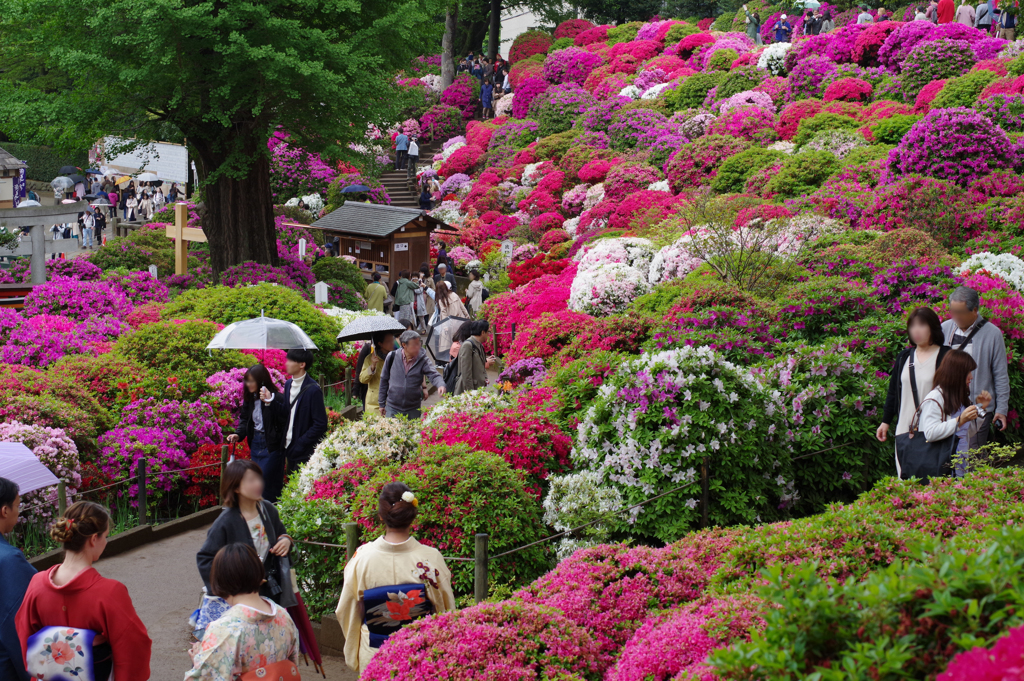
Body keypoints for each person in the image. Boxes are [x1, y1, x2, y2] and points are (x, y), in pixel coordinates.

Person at [17, 502, 152, 681]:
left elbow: (25, 634)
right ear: (93, 538)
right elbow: (133, 648)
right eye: (105, 536)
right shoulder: (110, 592)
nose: (105, 542)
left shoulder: (37, 584)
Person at [335, 482, 456, 673]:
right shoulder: (430, 559)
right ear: (412, 517)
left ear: (381, 516)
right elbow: (445, 608)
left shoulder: (362, 557)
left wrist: (354, 653)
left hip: (374, 653)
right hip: (418, 654)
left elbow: (347, 610)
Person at [186, 544, 300, 681]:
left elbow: (204, 678)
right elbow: (293, 664)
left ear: (220, 580)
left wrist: (199, 662)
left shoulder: (225, 629)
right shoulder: (283, 616)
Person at [196, 460, 296, 613]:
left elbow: (281, 533)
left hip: (271, 592)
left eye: (258, 478)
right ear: (235, 487)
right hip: (240, 600)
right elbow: (205, 558)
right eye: (251, 480)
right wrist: (229, 587)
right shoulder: (225, 522)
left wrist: (286, 541)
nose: (258, 484)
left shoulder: (268, 509)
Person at [876, 308, 952, 475]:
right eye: (912, 326)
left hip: (934, 428)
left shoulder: (946, 355)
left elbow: (955, 390)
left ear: (933, 327)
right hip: (905, 429)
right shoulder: (904, 357)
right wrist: (885, 421)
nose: (916, 330)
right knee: (906, 481)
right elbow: (893, 393)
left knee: (934, 481)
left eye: (922, 325)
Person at [941, 286, 1010, 449]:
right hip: (948, 407)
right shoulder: (945, 329)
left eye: (960, 312)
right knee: (948, 459)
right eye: (952, 311)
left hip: (977, 410)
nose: (955, 316)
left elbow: (1000, 375)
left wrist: (1002, 409)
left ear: (974, 310)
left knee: (972, 459)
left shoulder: (992, 334)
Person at [919, 350, 993, 477]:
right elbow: (930, 433)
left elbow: (967, 432)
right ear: (956, 374)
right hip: (942, 466)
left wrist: (980, 408)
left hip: (961, 463)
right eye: (967, 372)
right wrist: (959, 420)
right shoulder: (935, 398)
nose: (971, 377)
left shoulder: (959, 397)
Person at [226, 364, 289, 503]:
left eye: (251, 381)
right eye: (246, 381)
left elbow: (285, 419)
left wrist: (268, 402)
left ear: (261, 381)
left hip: (271, 445)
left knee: (266, 479)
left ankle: (271, 511)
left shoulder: (276, 398)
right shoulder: (250, 399)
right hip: (256, 443)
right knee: (256, 480)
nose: (248, 384)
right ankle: (258, 512)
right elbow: (244, 419)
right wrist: (238, 434)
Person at [269, 349, 328, 475]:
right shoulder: (288, 384)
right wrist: (270, 400)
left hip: (304, 451)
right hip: (288, 447)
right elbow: (286, 412)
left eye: (291, 360)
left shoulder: (313, 390)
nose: (287, 363)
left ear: (302, 364)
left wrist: (301, 443)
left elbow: (320, 423)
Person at [0, 478, 35, 681]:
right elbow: (19, 624)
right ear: (5, 511)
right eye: (17, 505)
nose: (17, 511)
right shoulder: (9, 560)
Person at [379, 330, 446, 419]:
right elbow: (384, 379)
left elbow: (434, 374)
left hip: (413, 408)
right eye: (414, 344)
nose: (418, 347)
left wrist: (440, 385)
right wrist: (381, 403)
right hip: (393, 407)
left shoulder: (423, 359)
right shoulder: (392, 356)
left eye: (419, 343)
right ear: (404, 345)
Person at [358, 332, 397, 420]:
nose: (392, 343)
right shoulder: (370, 359)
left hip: (393, 401)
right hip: (375, 403)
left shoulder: (396, 357)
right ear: (380, 343)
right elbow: (362, 379)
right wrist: (372, 366)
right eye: (389, 341)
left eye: (392, 340)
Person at [454, 320, 496, 395]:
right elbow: (466, 372)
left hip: (479, 388)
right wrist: (471, 393)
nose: (488, 335)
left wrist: (485, 378)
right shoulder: (468, 345)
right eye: (488, 332)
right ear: (483, 332)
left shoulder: (479, 345)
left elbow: (482, 364)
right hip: (469, 390)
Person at [417, 264, 436, 331]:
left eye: (422, 272)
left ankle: (424, 328)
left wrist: (427, 290)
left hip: (427, 298)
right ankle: (420, 326)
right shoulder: (419, 279)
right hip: (420, 297)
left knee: (426, 313)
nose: (421, 273)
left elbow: (434, 288)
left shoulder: (430, 280)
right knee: (420, 313)